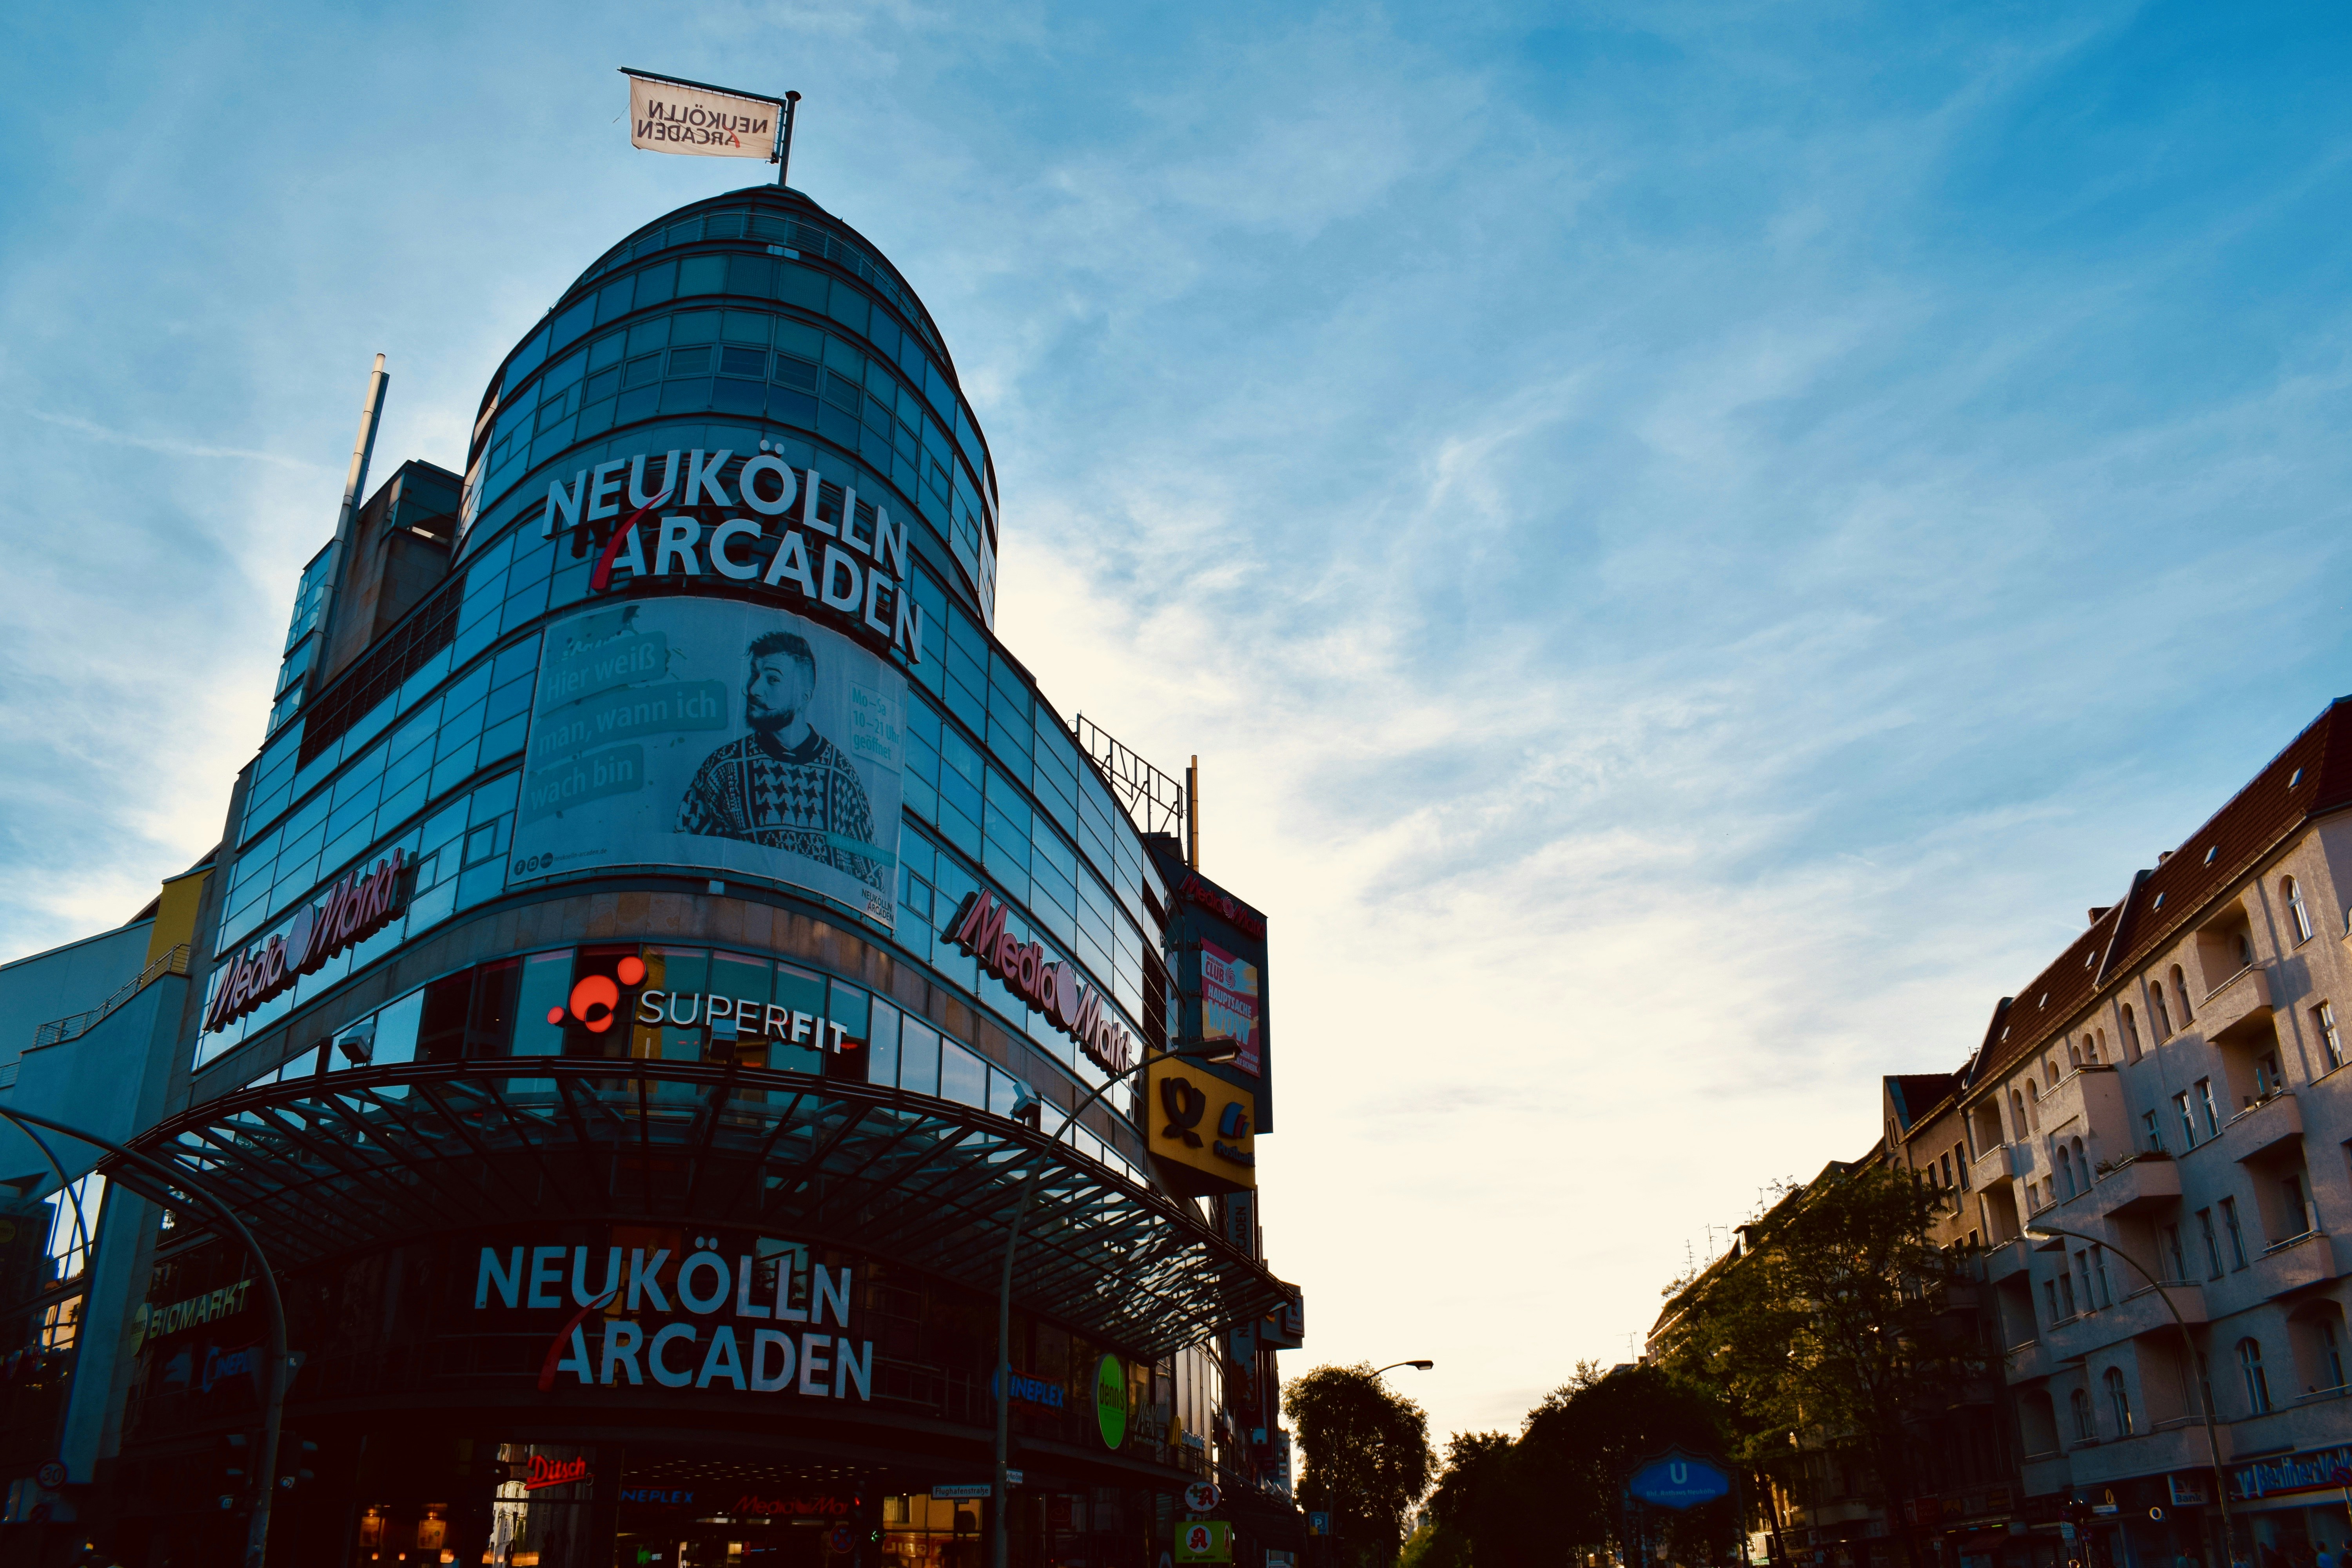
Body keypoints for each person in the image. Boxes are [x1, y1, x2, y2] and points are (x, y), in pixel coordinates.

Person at [677, 630, 884, 890]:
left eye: (772, 679)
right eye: (755, 674)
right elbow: (684, 853)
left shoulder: (842, 777)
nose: (753, 689)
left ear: (804, 696)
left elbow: (871, 881)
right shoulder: (724, 768)